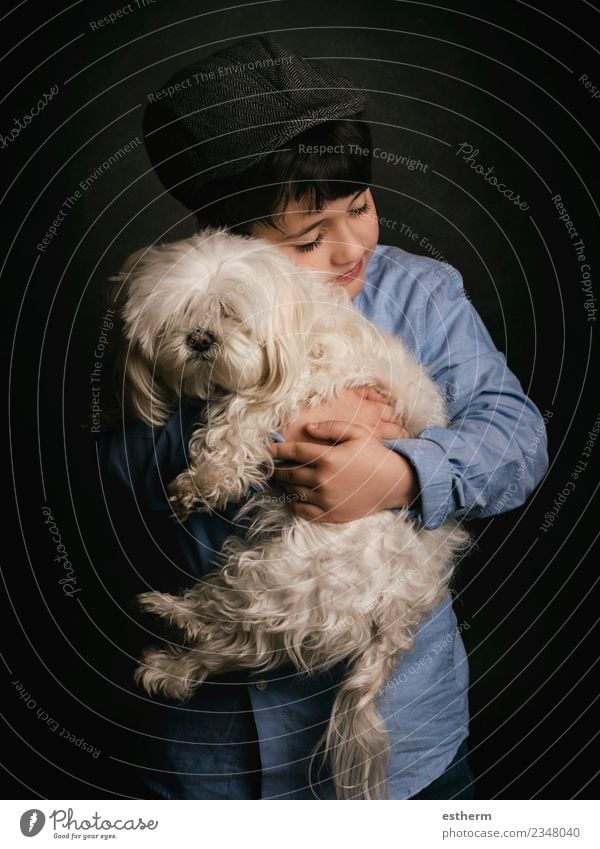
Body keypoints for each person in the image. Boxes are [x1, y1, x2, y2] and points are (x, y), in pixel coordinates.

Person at [99, 36, 548, 800]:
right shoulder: (170, 308)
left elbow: (517, 438)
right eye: (308, 238)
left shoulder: (423, 296)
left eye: (362, 207)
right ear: (235, 245)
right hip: (219, 752)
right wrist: (285, 426)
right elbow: (124, 469)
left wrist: (400, 469)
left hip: (409, 732)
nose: (350, 246)